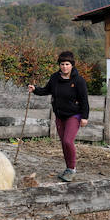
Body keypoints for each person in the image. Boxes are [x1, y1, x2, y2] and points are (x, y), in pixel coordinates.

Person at [28, 51, 89, 182]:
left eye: (67, 64)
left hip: (73, 115)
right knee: (64, 143)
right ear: (59, 65)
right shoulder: (55, 78)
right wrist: (35, 89)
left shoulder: (79, 81)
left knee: (68, 141)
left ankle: (72, 169)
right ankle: (68, 169)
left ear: (72, 65)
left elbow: (84, 100)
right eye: (62, 64)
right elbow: (46, 90)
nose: (65, 67)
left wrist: (85, 117)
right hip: (59, 115)